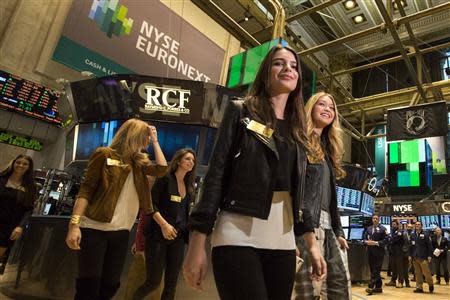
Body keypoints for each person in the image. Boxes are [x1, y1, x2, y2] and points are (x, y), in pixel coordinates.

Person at [183, 45, 326, 300]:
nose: (288, 69)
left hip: (283, 242)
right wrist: (197, 243)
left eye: (293, 66)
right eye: (279, 63)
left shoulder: (298, 131)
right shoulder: (241, 111)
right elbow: (217, 174)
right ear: (266, 72)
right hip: (237, 235)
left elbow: (301, 195)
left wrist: (312, 245)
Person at [65, 119, 168, 300]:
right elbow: (86, 190)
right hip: (94, 228)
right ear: (134, 135)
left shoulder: (140, 165)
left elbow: (161, 170)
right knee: (88, 287)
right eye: (145, 136)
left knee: (111, 285)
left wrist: (156, 141)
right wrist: (74, 225)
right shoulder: (104, 155)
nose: (147, 140)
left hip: (121, 232)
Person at [292, 92, 351, 300]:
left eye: (332, 107)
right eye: (322, 104)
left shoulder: (327, 150)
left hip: (330, 229)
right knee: (308, 292)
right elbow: (294, 192)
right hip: (307, 226)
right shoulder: (299, 141)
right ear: (311, 108)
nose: (328, 109)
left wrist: (339, 231)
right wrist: (291, 236)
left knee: (341, 290)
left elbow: (331, 199)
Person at [133, 149, 197, 300]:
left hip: (179, 238)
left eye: (193, 161)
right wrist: (164, 225)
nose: (191, 163)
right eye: (188, 159)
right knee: (153, 283)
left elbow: (184, 213)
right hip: (158, 236)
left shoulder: (189, 186)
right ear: (179, 161)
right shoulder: (165, 178)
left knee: (171, 284)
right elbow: (151, 205)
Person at [0, 155, 37, 257]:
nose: (21, 165)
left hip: (9, 226)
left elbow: (29, 209)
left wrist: (20, 227)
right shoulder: (1, 178)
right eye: (18, 162)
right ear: (13, 163)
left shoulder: (31, 186)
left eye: (25, 164)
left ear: (29, 167)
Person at [364, 214, 388, 295]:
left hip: (379, 253)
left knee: (376, 270)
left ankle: (370, 286)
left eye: (376, 218)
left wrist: (376, 243)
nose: (374, 220)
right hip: (370, 252)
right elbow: (364, 238)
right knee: (373, 270)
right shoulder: (369, 228)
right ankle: (378, 287)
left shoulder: (383, 229)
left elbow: (386, 240)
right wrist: (366, 242)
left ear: (379, 219)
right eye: (373, 218)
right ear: (372, 219)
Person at [410, 221, 434, 293]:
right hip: (415, 257)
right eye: (416, 224)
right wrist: (410, 255)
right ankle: (419, 287)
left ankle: (430, 284)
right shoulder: (412, 235)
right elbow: (411, 246)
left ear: (421, 226)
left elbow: (430, 246)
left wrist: (430, 255)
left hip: (423, 257)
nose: (417, 225)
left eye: (419, 224)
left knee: (426, 273)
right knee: (417, 273)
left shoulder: (426, 234)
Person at [385, 219, 407, 288]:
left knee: (399, 268)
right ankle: (393, 281)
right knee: (393, 268)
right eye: (392, 225)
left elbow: (394, 239)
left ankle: (400, 282)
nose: (393, 226)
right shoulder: (392, 232)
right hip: (392, 252)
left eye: (394, 225)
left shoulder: (399, 232)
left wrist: (388, 236)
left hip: (399, 253)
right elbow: (389, 241)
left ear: (397, 225)